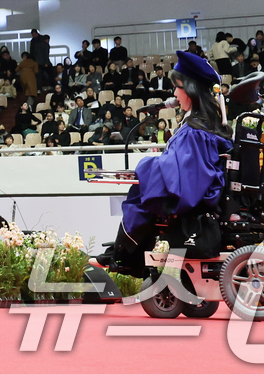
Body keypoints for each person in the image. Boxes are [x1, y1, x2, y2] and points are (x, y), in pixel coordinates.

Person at [96, 51, 231, 274]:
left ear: (191, 89)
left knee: (142, 197)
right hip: (198, 187)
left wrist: (147, 167)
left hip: (195, 194)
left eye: (178, 87)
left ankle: (125, 255)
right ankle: (125, 252)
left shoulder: (196, 129)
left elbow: (187, 170)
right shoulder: (200, 123)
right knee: (143, 192)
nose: (175, 94)